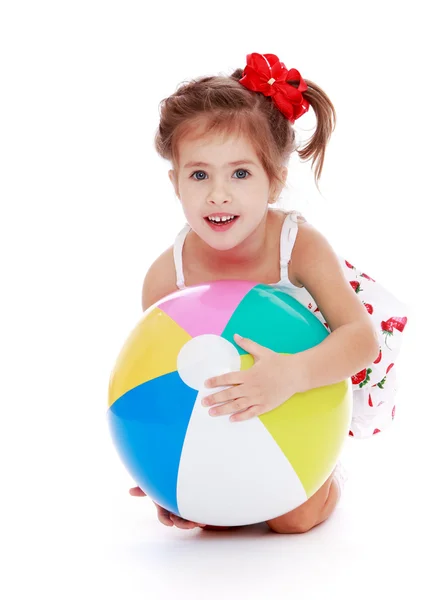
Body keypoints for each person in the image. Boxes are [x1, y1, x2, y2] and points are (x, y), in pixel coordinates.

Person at [128, 53, 408, 533]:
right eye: (199, 175)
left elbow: (361, 339)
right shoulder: (164, 278)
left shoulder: (297, 246)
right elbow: (157, 378)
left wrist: (291, 375)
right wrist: (160, 472)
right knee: (209, 519)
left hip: (307, 392)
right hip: (223, 409)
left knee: (294, 520)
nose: (219, 194)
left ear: (274, 180)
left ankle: (328, 474)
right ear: (175, 183)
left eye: (240, 174)